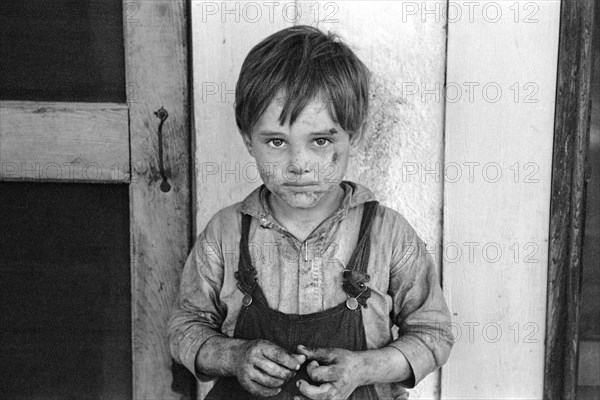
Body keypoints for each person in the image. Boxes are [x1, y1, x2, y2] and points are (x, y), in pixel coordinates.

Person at [168, 25, 453, 400]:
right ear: (246, 139)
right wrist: (234, 356)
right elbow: (185, 329)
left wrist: (364, 368)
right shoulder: (224, 234)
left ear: (356, 135)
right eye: (276, 142)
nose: (299, 164)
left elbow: (434, 335)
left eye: (320, 141)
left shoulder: (389, 234)